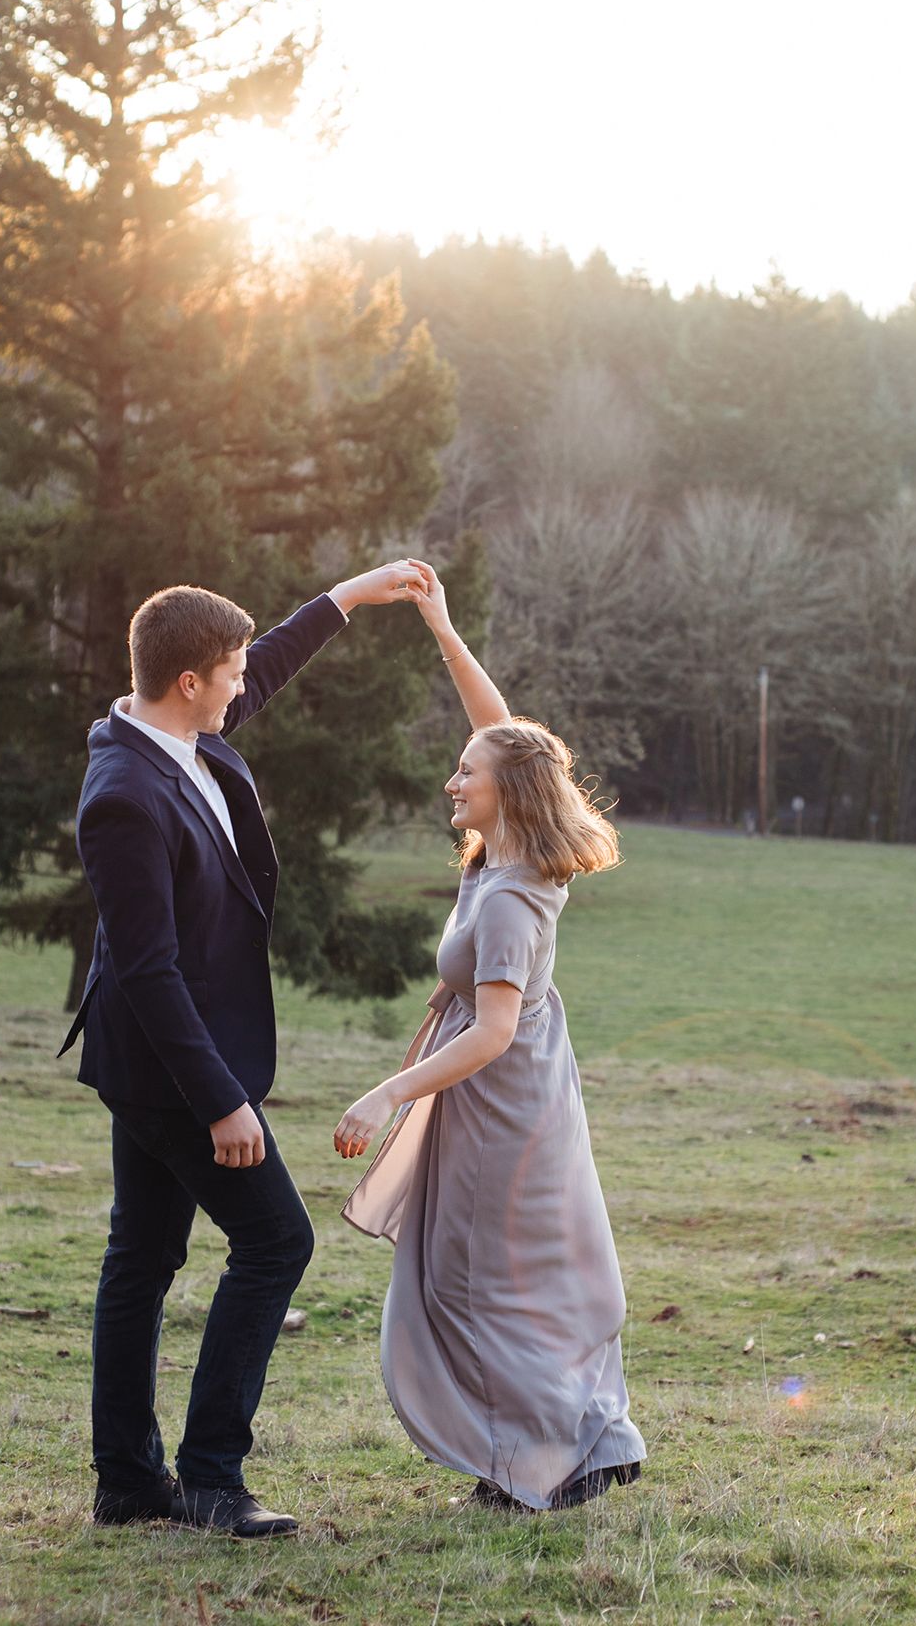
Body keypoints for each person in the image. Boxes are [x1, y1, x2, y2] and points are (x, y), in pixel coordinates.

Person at [60, 561, 430, 1538]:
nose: (241, 683)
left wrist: (350, 596)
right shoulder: (124, 793)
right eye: (225, 671)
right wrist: (223, 1102)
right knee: (276, 1239)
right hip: (167, 1063)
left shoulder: (179, 732)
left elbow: (261, 668)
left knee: (140, 1253)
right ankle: (212, 1478)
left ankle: (129, 1483)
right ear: (188, 680)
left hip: (163, 1056)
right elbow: (146, 969)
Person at [335, 561, 647, 1511]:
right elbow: (505, 737)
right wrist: (439, 626)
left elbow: (495, 1033)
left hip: (499, 1101)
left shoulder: (511, 897)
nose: (449, 778)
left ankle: (535, 1465)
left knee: (480, 1284)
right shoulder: (508, 852)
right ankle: (580, 1447)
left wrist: (391, 1091)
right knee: (499, 1278)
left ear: (502, 791)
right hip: (511, 1097)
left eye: (463, 772)